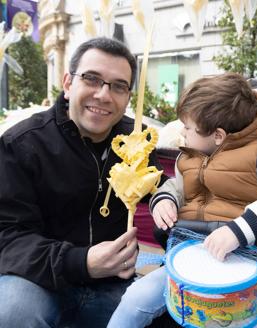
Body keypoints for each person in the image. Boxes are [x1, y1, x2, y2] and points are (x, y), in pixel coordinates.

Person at [0, 37, 167, 328]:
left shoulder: (136, 142)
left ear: (129, 97)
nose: (104, 95)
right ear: (68, 84)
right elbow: (8, 237)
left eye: (118, 86)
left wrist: (167, 199)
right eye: (92, 79)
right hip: (38, 279)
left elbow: (157, 187)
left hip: (113, 283)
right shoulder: (23, 144)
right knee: (14, 313)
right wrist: (81, 262)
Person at [107, 73, 257, 328]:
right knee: (135, 298)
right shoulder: (188, 157)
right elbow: (178, 186)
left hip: (247, 266)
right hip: (190, 255)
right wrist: (165, 199)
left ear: (217, 135)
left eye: (187, 127)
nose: (182, 133)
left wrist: (239, 231)